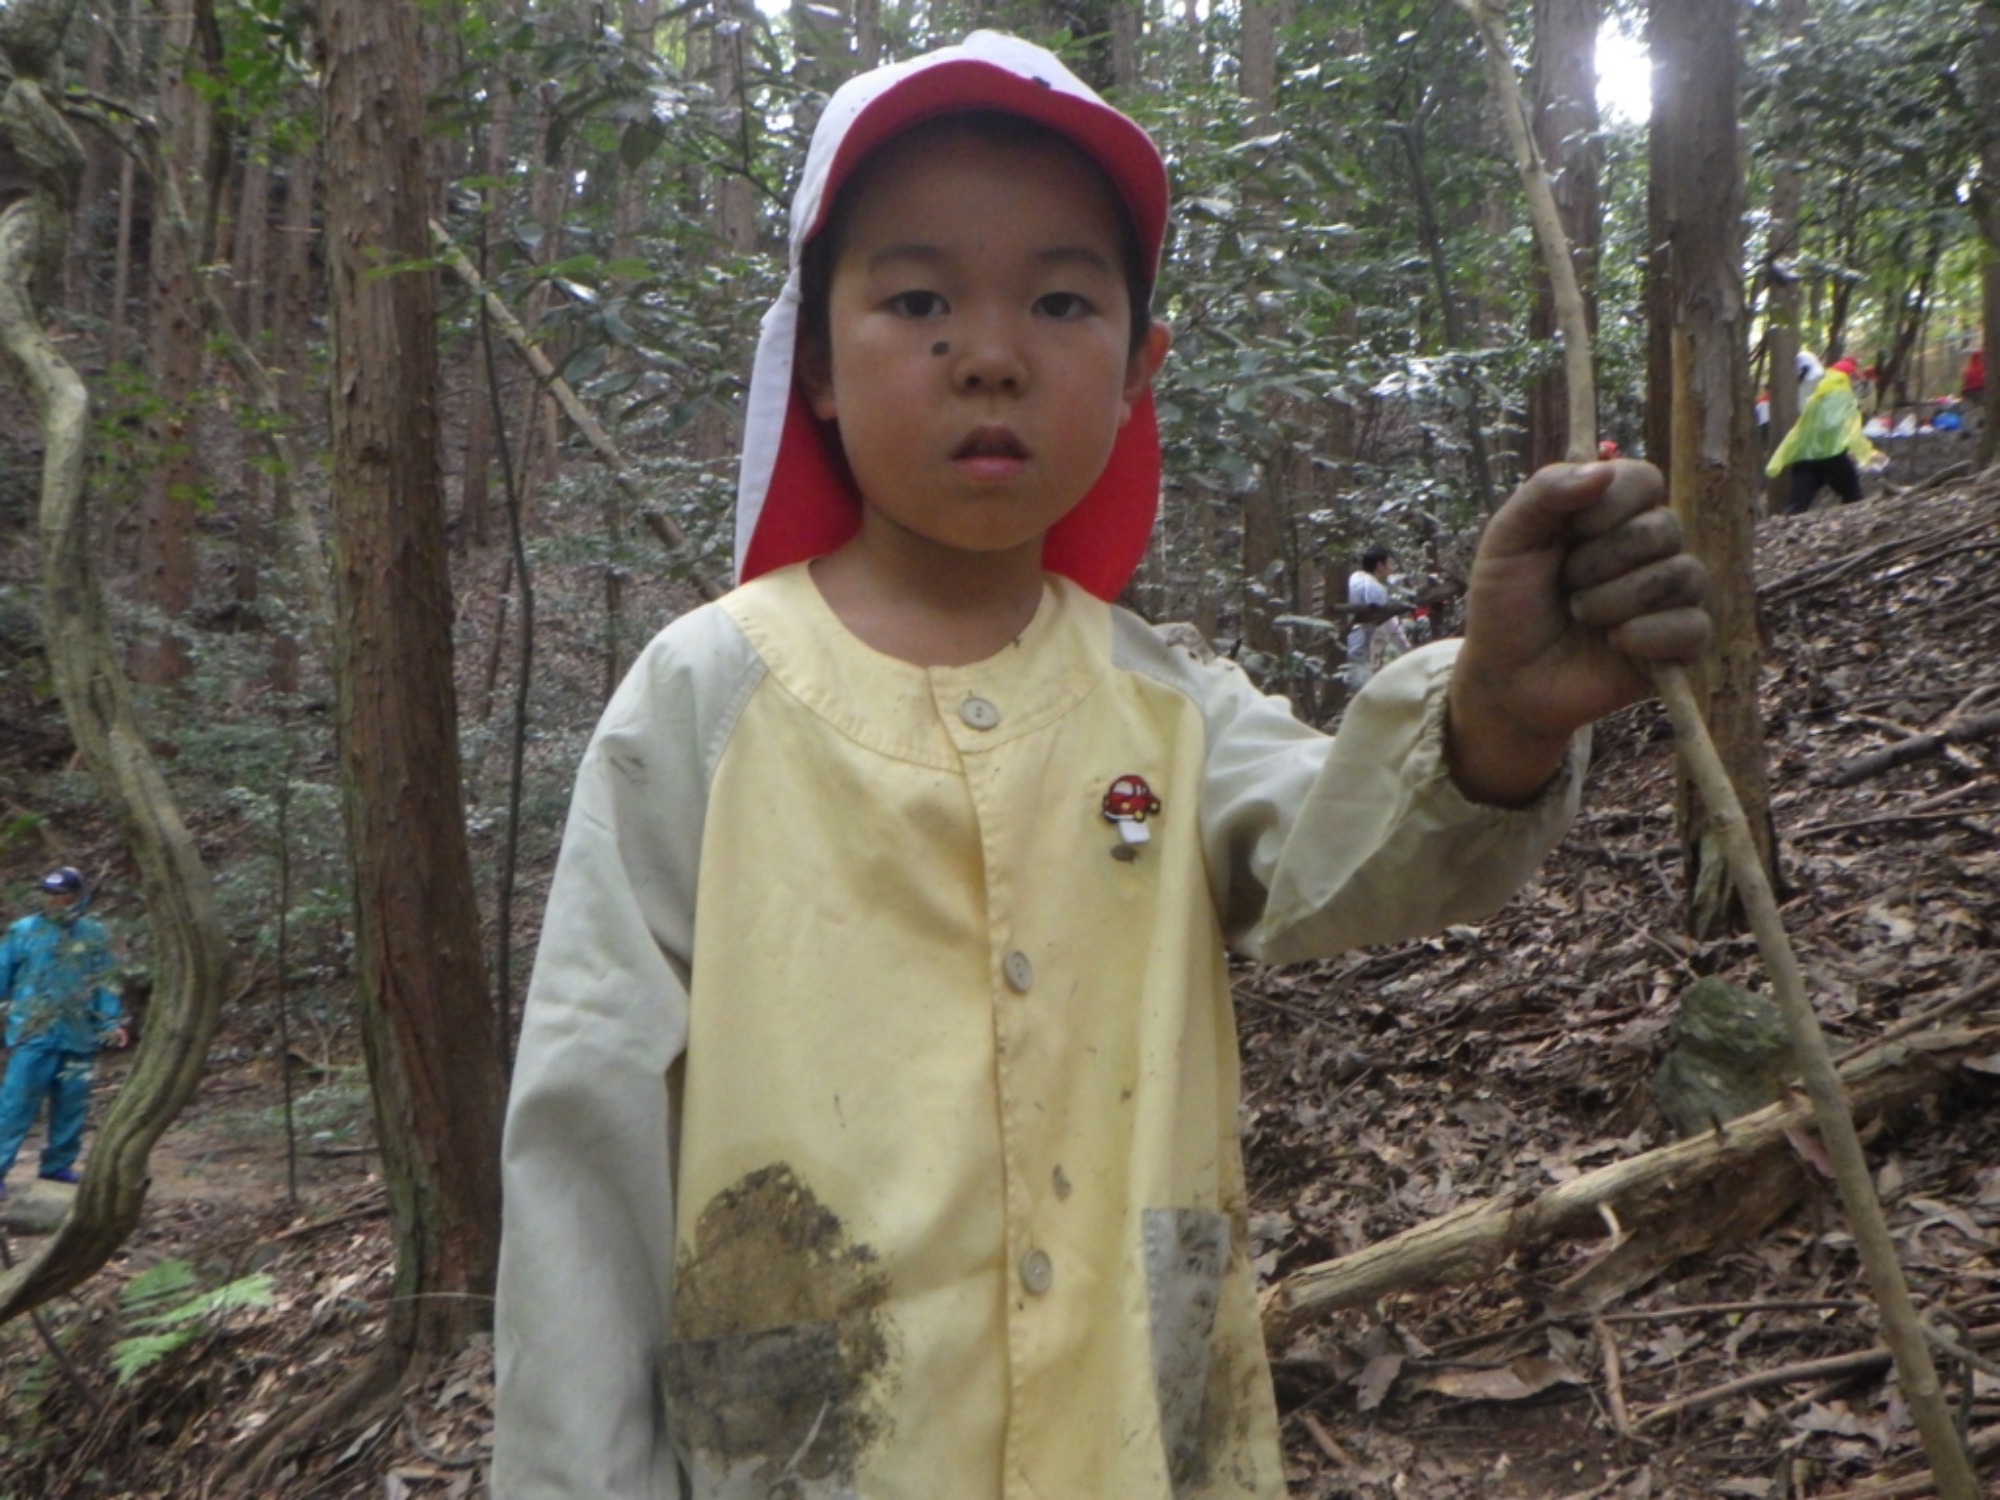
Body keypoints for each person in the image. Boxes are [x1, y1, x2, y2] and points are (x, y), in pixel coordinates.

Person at [492, 31, 1710, 1499]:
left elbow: (1339, 845)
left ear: (1139, 370)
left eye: (1061, 301)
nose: (989, 354)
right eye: (918, 299)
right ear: (812, 359)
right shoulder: (704, 702)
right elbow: (587, 1145)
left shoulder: (1165, 705)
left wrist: (1499, 712)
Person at [0, 866, 126, 1197]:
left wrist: (110, 1022)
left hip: (78, 1035)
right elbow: (2, 974)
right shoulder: (23, 931)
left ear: (77, 896)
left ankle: (58, 1164)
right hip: (32, 1034)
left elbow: (104, 981)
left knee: (72, 1104)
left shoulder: (93, 934)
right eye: (49, 894)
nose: (54, 901)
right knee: (15, 1104)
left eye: (61, 895)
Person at [1768, 356, 1879, 515]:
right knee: (1854, 498)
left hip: (1805, 456)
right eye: (1853, 377)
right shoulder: (1841, 397)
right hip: (1832, 456)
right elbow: (1848, 430)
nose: (1855, 382)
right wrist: (1867, 454)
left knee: (1796, 505)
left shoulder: (1816, 395)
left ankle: (1783, 526)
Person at [1344, 542, 1403, 688]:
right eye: (1389, 563)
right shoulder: (1374, 587)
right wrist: (1405, 646)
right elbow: (1387, 620)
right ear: (1380, 565)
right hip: (1357, 648)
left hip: (1346, 643)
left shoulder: (1354, 578)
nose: (1392, 567)